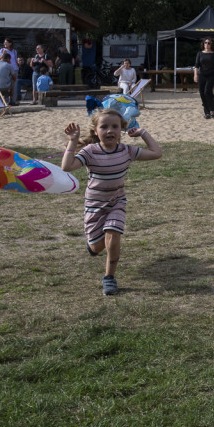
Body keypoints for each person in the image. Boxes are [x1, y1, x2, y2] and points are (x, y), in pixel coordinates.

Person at [62, 109, 162, 295]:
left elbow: (156, 153)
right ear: (95, 131)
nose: (110, 130)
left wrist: (143, 133)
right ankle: (93, 245)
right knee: (97, 247)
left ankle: (109, 277)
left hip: (117, 202)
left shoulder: (127, 151)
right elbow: (67, 167)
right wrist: (72, 140)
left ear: (122, 130)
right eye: (104, 126)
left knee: (114, 235)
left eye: (115, 126)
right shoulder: (90, 151)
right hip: (94, 206)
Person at [193, 37, 214, 119]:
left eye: (209, 43)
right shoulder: (200, 53)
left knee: (207, 91)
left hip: (211, 75)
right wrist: (195, 75)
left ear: (211, 44)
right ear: (203, 44)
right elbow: (196, 65)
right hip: (201, 75)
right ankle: (207, 112)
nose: (207, 44)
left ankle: (212, 109)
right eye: (205, 43)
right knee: (202, 94)